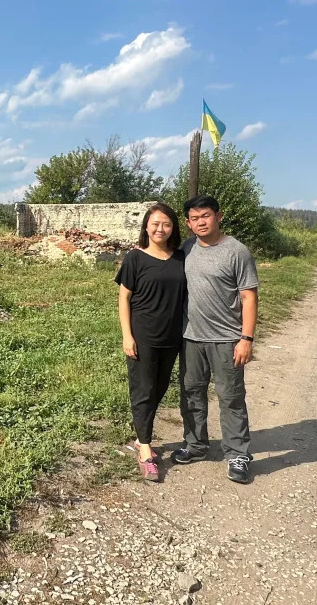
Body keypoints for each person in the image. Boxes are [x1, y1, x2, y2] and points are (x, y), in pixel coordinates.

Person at [172, 195, 259, 484]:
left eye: (206, 216)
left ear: (218, 217)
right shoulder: (186, 248)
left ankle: (238, 454)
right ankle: (196, 444)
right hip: (191, 338)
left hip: (227, 339)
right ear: (188, 223)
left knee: (231, 398)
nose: (201, 222)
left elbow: (248, 296)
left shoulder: (237, 251)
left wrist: (246, 338)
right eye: (195, 218)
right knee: (191, 392)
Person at [116, 203, 186, 483]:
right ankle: (145, 450)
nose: (160, 229)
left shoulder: (181, 257)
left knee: (158, 389)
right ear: (146, 226)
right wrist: (127, 335)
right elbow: (124, 298)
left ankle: (139, 436)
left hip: (171, 336)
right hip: (143, 335)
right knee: (143, 390)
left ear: (173, 228)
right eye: (155, 223)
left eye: (166, 224)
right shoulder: (135, 258)